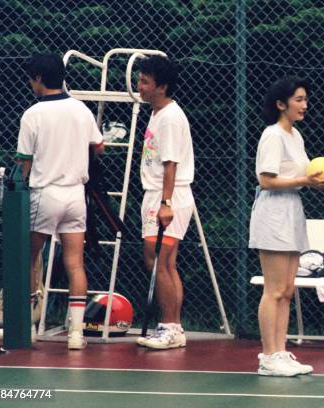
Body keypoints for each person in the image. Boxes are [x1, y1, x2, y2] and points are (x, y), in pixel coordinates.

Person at [16, 53, 104, 350]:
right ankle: (76, 334)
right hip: (75, 197)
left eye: (31, 78)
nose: (30, 83)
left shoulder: (33, 114)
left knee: (26, 258)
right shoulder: (81, 109)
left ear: (39, 78)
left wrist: (17, 183)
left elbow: (23, 163)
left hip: (46, 194)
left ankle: (26, 328)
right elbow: (99, 145)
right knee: (75, 264)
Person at [249, 76, 324, 376]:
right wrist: (305, 181)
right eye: (299, 99)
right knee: (273, 290)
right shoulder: (272, 135)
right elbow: (266, 179)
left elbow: (306, 173)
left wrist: (319, 181)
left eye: (305, 100)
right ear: (281, 104)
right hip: (272, 214)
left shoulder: (295, 136)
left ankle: (280, 352)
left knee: (286, 289)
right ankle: (267, 356)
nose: (304, 105)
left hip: (293, 213)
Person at [135, 56, 194, 350]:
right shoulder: (158, 113)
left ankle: (171, 328)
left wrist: (166, 203)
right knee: (162, 261)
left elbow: (171, 164)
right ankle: (172, 327)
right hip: (158, 194)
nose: (139, 86)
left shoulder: (170, 117)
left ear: (162, 86)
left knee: (160, 260)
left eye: (145, 81)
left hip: (168, 195)